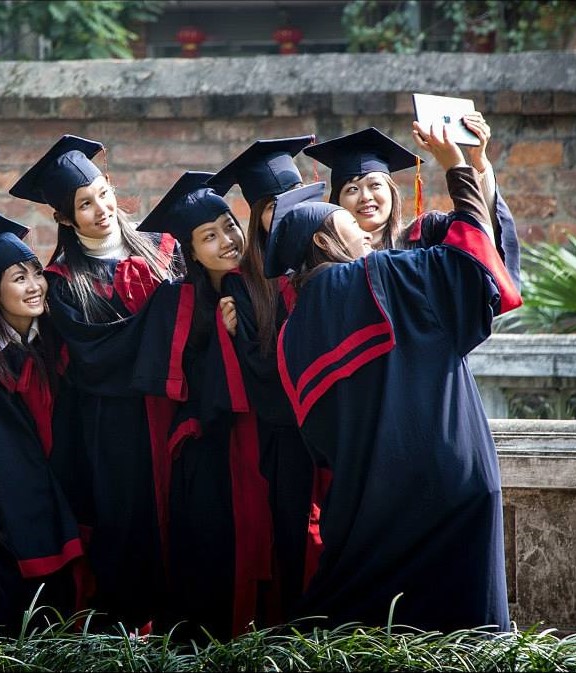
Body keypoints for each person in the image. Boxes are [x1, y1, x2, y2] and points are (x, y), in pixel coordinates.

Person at [262, 125, 521, 632]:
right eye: (347, 199)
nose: (362, 209)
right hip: (442, 469)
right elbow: (473, 273)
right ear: (325, 234)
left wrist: (478, 170)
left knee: (372, 623)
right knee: (461, 624)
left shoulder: (295, 322)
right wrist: (457, 168)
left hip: (367, 492)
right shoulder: (381, 273)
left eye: (374, 185)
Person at [8, 134, 180, 632]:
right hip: (114, 430)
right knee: (126, 528)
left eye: (103, 193)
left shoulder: (163, 250)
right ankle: (121, 638)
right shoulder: (63, 282)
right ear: (66, 218)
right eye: (85, 204)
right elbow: (96, 358)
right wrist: (165, 311)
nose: (101, 208)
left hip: (175, 412)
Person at [135, 172, 274, 640]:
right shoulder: (177, 301)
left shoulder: (263, 286)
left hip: (263, 444)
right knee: (211, 555)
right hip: (205, 453)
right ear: (191, 251)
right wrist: (221, 338)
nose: (226, 241)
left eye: (229, 226)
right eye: (208, 236)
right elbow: (172, 388)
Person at [207, 137, 330, 623]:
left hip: (339, 430)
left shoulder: (326, 260)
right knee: (293, 537)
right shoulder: (245, 283)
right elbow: (258, 372)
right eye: (274, 207)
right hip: (287, 435)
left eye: (299, 199)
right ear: (257, 215)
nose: (287, 213)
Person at [0, 214, 87, 635]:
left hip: (64, 480)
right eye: (19, 278)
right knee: (18, 600)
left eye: (37, 273)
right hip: (9, 494)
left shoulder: (56, 337)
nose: (35, 285)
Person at [303, 118, 519, 275]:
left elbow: (480, 241)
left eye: (375, 185)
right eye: (352, 189)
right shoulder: (323, 257)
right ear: (336, 202)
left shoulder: (427, 234)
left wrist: (478, 161)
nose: (365, 196)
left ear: (392, 192)